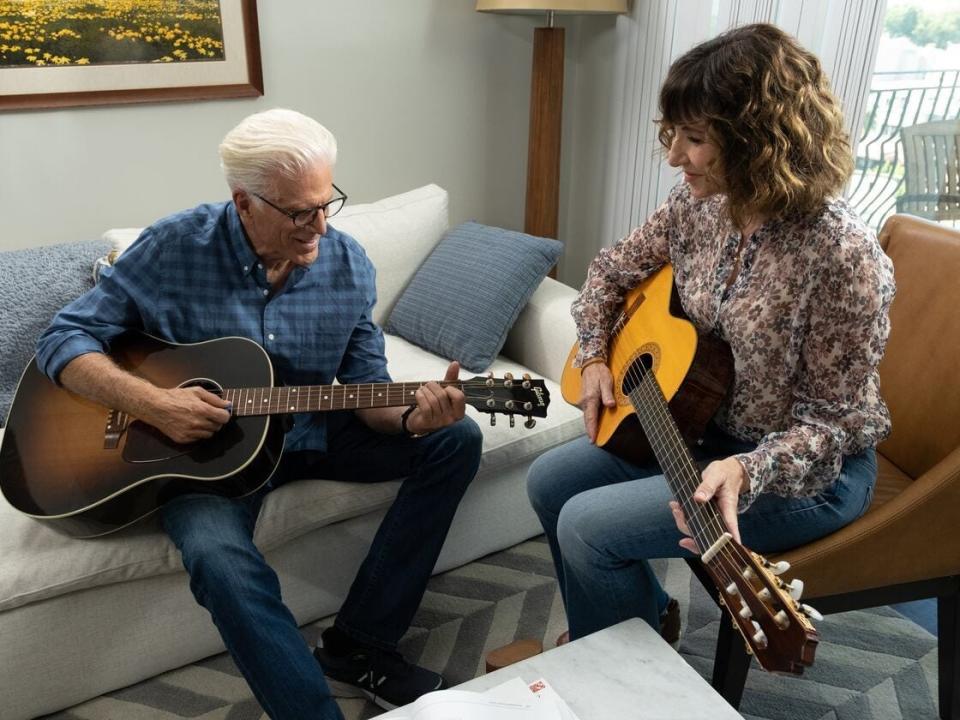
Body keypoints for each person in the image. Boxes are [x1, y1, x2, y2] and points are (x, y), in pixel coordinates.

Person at [36, 108, 484, 719]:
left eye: (328, 204)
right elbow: (63, 340)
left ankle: (360, 645)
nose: (319, 227)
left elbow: (367, 391)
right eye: (300, 212)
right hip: (206, 460)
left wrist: (411, 420)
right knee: (218, 558)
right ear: (244, 202)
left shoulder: (348, 265)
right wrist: (156, 404)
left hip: (311, 432)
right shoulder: (175, 247)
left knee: (455, 440)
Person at [527, 24, 896, 645]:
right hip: (701, 429)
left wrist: (747, 471)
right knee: (547, 481)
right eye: (671, 135)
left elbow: (834, 426)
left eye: (694, 139)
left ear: (760, 141)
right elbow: (607, 273)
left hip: (806, 473)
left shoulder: (843, 258)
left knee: (587, 525)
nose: (674, 158)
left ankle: (619, 676)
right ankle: (638, 624)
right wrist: (594, 354)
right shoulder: (698, 205)